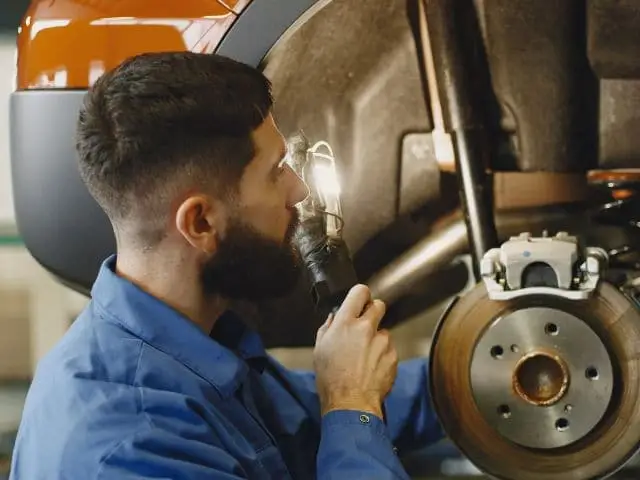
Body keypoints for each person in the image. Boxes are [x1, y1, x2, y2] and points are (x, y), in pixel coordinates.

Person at [10, 52, 443, 479]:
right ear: (200, 222)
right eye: (276, 172)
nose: (298, 189)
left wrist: (474, 367)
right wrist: (353, 404)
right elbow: (344, 407)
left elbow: (310, 414)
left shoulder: (200, 344)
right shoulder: (132, 445)